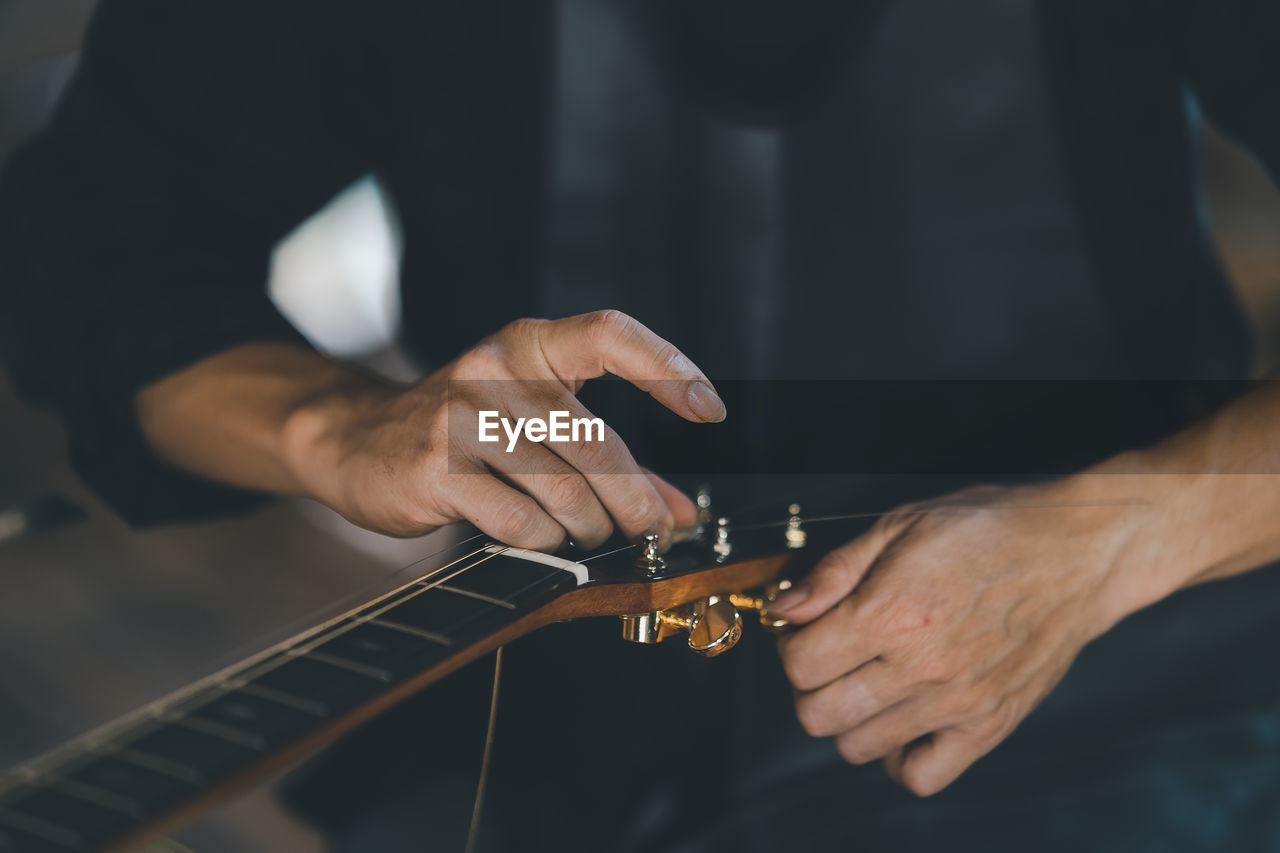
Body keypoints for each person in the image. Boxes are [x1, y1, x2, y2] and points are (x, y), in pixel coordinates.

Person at [2, 0, 1280, 849]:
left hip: (1136, 632)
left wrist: (1105, 544)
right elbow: (85, 239)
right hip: (568, 663)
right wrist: (332, 424)